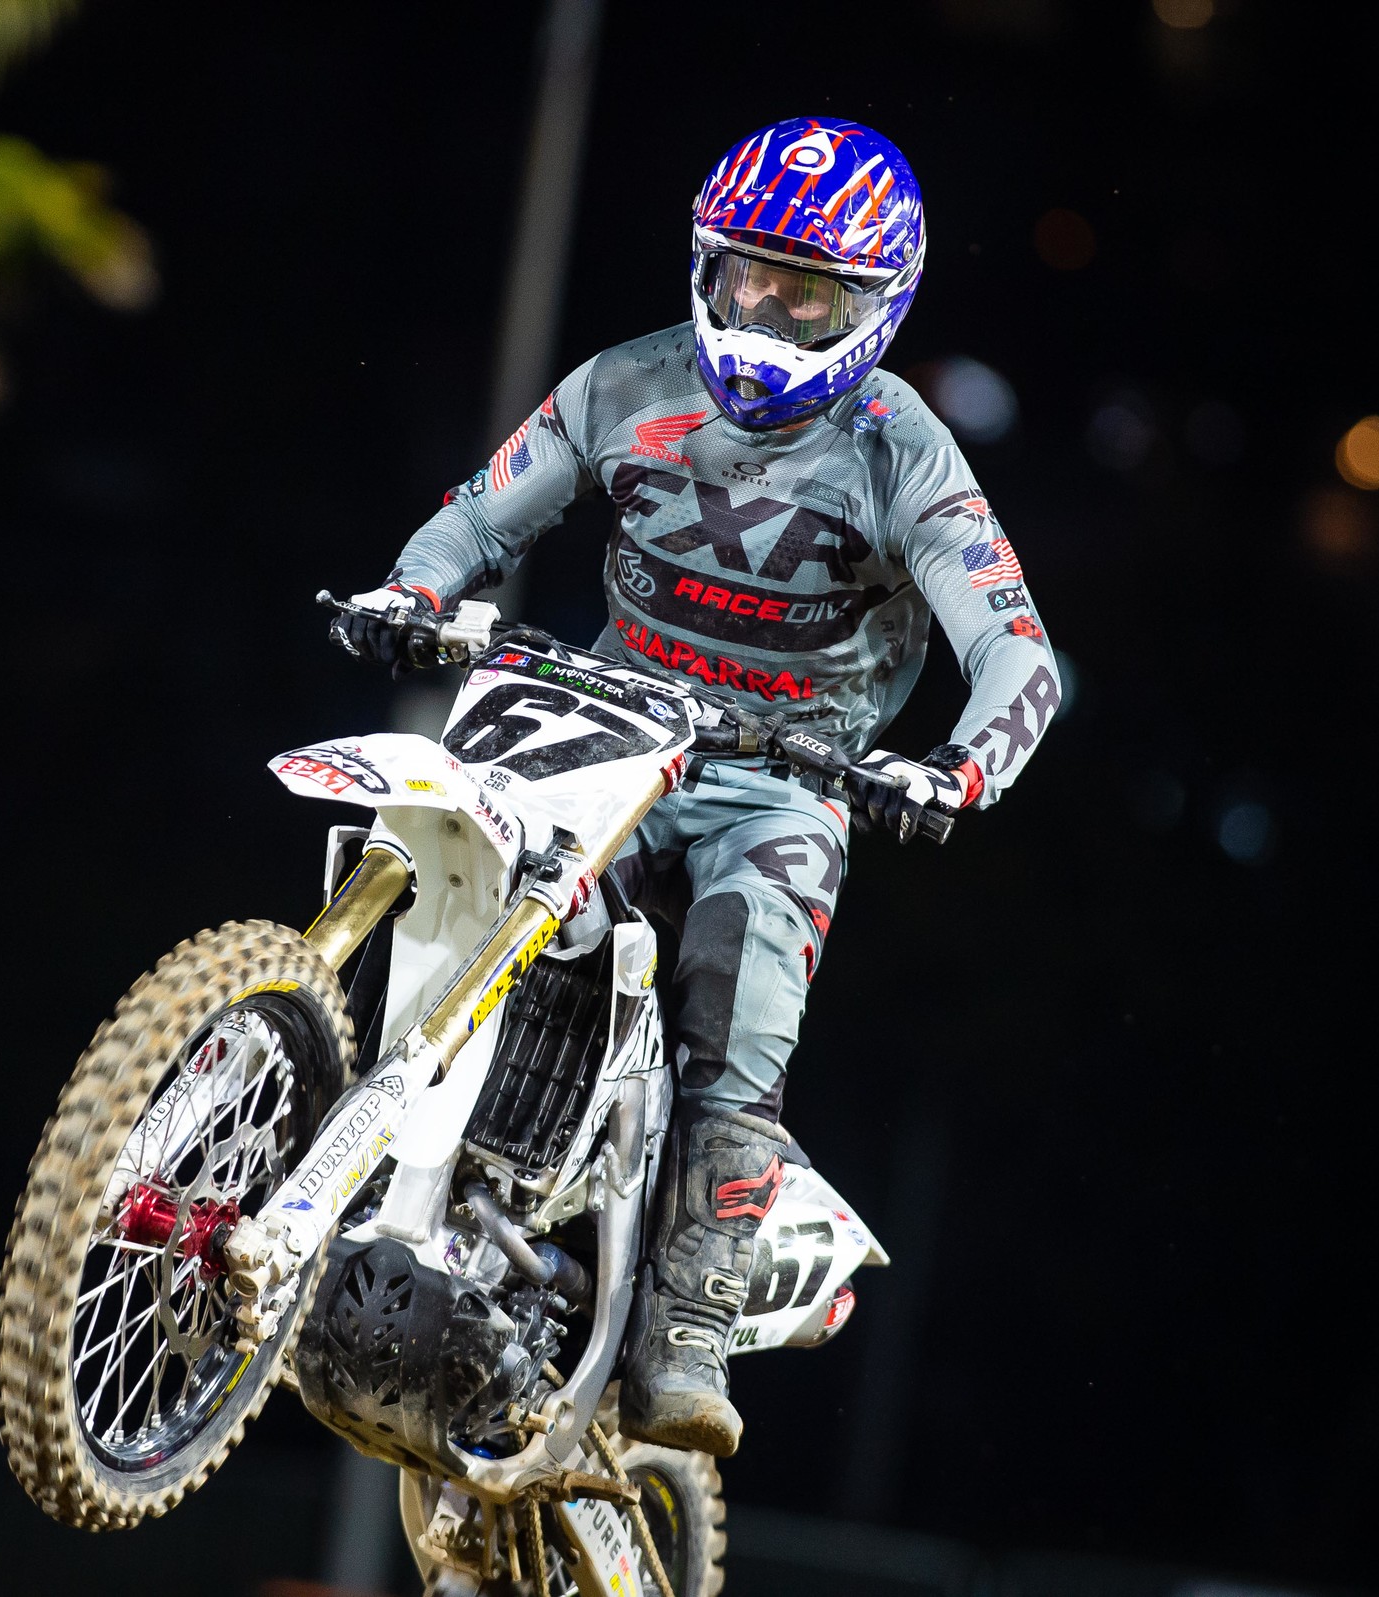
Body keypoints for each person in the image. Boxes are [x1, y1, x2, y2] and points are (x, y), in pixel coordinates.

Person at [331, 118, 1061, 1457]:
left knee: (741, 996)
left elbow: (1019, 654)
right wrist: (411, 591)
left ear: (877, 306)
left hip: (784, 779)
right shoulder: (627, 381)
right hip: (608, 723)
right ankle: (369, 1133)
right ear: (704, 263)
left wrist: (958, 772)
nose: (766, 313)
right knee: (473, 871)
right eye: (746, 276)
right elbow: (485, 509)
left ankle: (689, 1325)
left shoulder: (903, 449)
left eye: (807, 295)